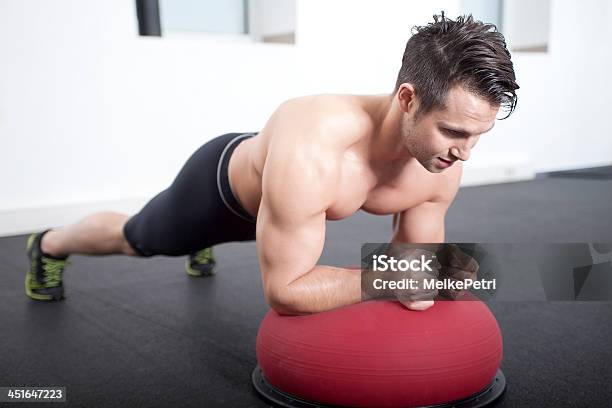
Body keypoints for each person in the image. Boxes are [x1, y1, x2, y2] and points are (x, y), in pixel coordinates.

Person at [25, 13, 518, 314]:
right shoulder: (315, 145)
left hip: (284, 209)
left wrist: (425, 275)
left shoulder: (442, 161)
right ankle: (49, 244)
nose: (464, 153)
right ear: (407, 99)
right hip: (221, 193)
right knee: (141, 239)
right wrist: (392, 278)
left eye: (479, 135)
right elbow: (285, 292)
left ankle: (198, 247)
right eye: (454, 132)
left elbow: (412, 274)